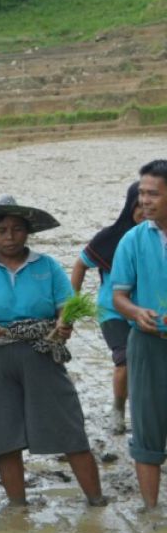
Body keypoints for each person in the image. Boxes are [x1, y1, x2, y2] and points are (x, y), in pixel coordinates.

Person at [0, 200, 107, 507]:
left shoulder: (47, 266)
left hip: (42, 354)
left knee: (69, 429)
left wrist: (65, 324)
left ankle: (96, 499)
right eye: (2, 230)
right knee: (4, 438)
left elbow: (66, 306)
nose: (9, 236)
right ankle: (18, 507)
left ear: (27, 232)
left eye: (17, 229)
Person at [111, 159, 167, 510]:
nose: (144, 200)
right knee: (146, 425)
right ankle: (151, 512)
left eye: (153, 193)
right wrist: (135, 312)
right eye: (142, 192)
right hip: (146, 344)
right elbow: (119, 296)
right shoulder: (132, 240)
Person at [72, 182, 143, 433]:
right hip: (113, 310)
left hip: (148, 310)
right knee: (125, 360)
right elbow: (81, 264)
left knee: (149, 362)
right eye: (139, 205)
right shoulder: (110, 237)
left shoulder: (160, 237)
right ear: (130, 206)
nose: (145, 210)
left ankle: (146, 411)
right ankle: (118, 409)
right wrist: (72, 305)